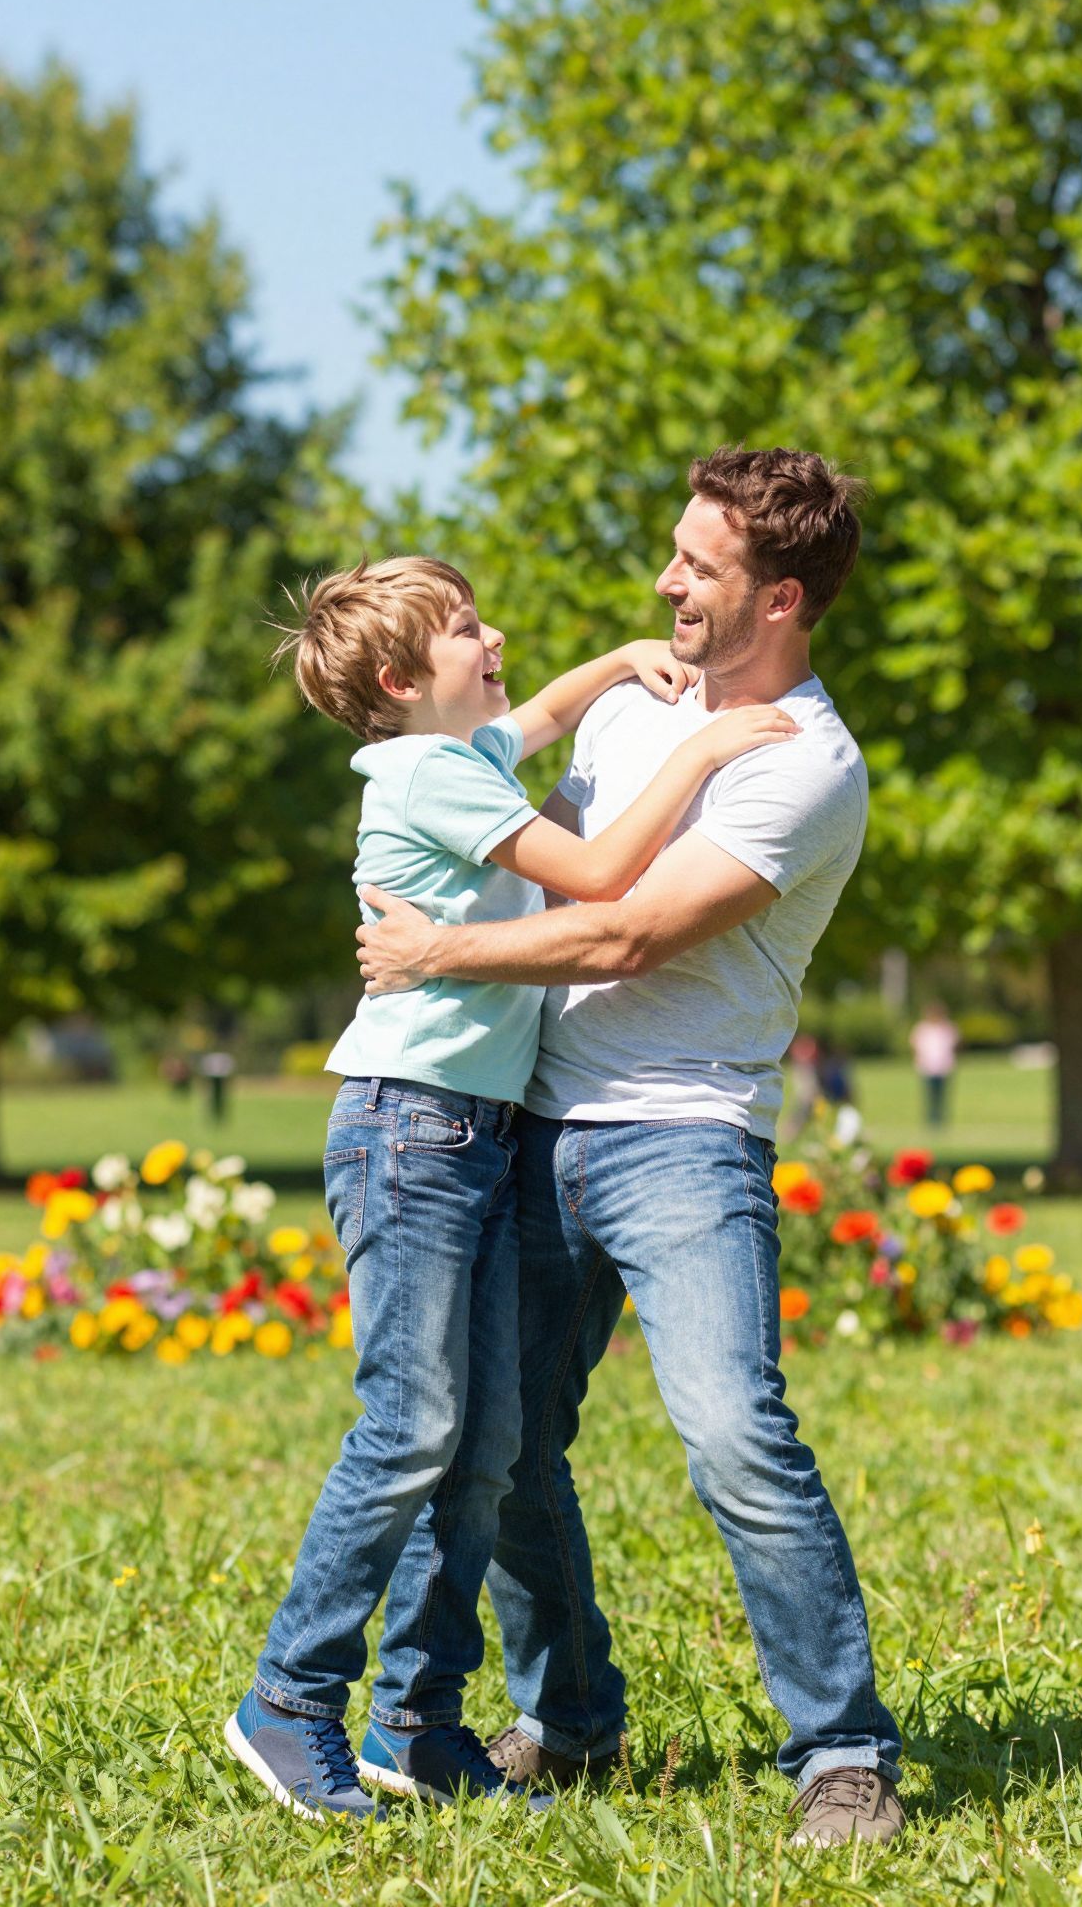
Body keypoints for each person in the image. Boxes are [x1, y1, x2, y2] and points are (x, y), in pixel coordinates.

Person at [357, 446, 906, 1848]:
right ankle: (569, 1717)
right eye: (673, 550)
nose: (666, 580)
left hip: (685, 1140)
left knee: (733, 1432)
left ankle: (842, 1752)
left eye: (698, 567)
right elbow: (525, 842)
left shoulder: (806, 763)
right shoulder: (635, 710)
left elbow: (627, 928)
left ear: (780, 598)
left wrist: (435, 953)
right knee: (511, 1439)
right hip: (532, 1123)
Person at [223, 554, 796, 1822]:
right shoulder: (427, 772)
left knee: (482, 1444)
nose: (498, 641)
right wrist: (697, 754)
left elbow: (529, 717)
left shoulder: (463, 751)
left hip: (475, 1135)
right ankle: (290, 1694)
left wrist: (619, 667)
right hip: (409, 1134)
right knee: (412, 1427)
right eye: (470, 630)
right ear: (396, 679)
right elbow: (598, 882)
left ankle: (422, 1727)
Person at [910, 1001, 960, 1126]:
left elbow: (955, 1044)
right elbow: (915, 1045)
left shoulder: (948, 1028)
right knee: (929, 1095)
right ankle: (931, 1119)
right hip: (927, 1067)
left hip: (944, 1066)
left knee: (942, 1095)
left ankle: (941, 1119)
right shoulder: (922, 1029)